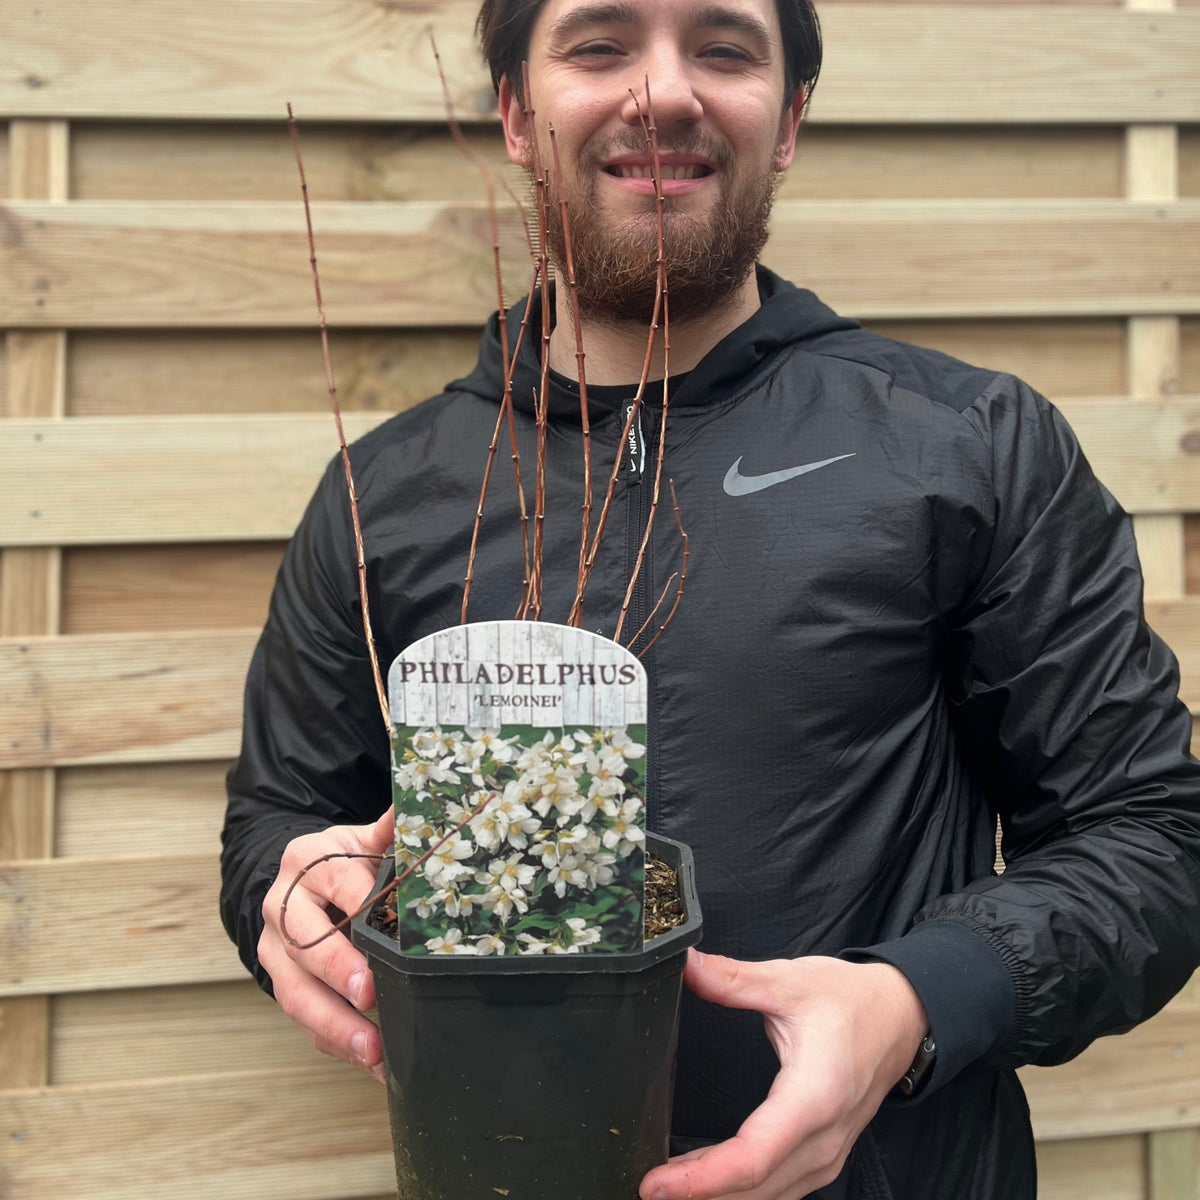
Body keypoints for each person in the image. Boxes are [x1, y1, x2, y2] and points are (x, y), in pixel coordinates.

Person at [220, 1, 1200, 1197]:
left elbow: (1151, 835)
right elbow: (282, 818)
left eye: (724, 48)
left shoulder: (968, 447)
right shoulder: (382, 495)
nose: (664, 91)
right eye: (600, 44)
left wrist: (918, 998)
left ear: (787, 121)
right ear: (517, 115)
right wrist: (297, 903)